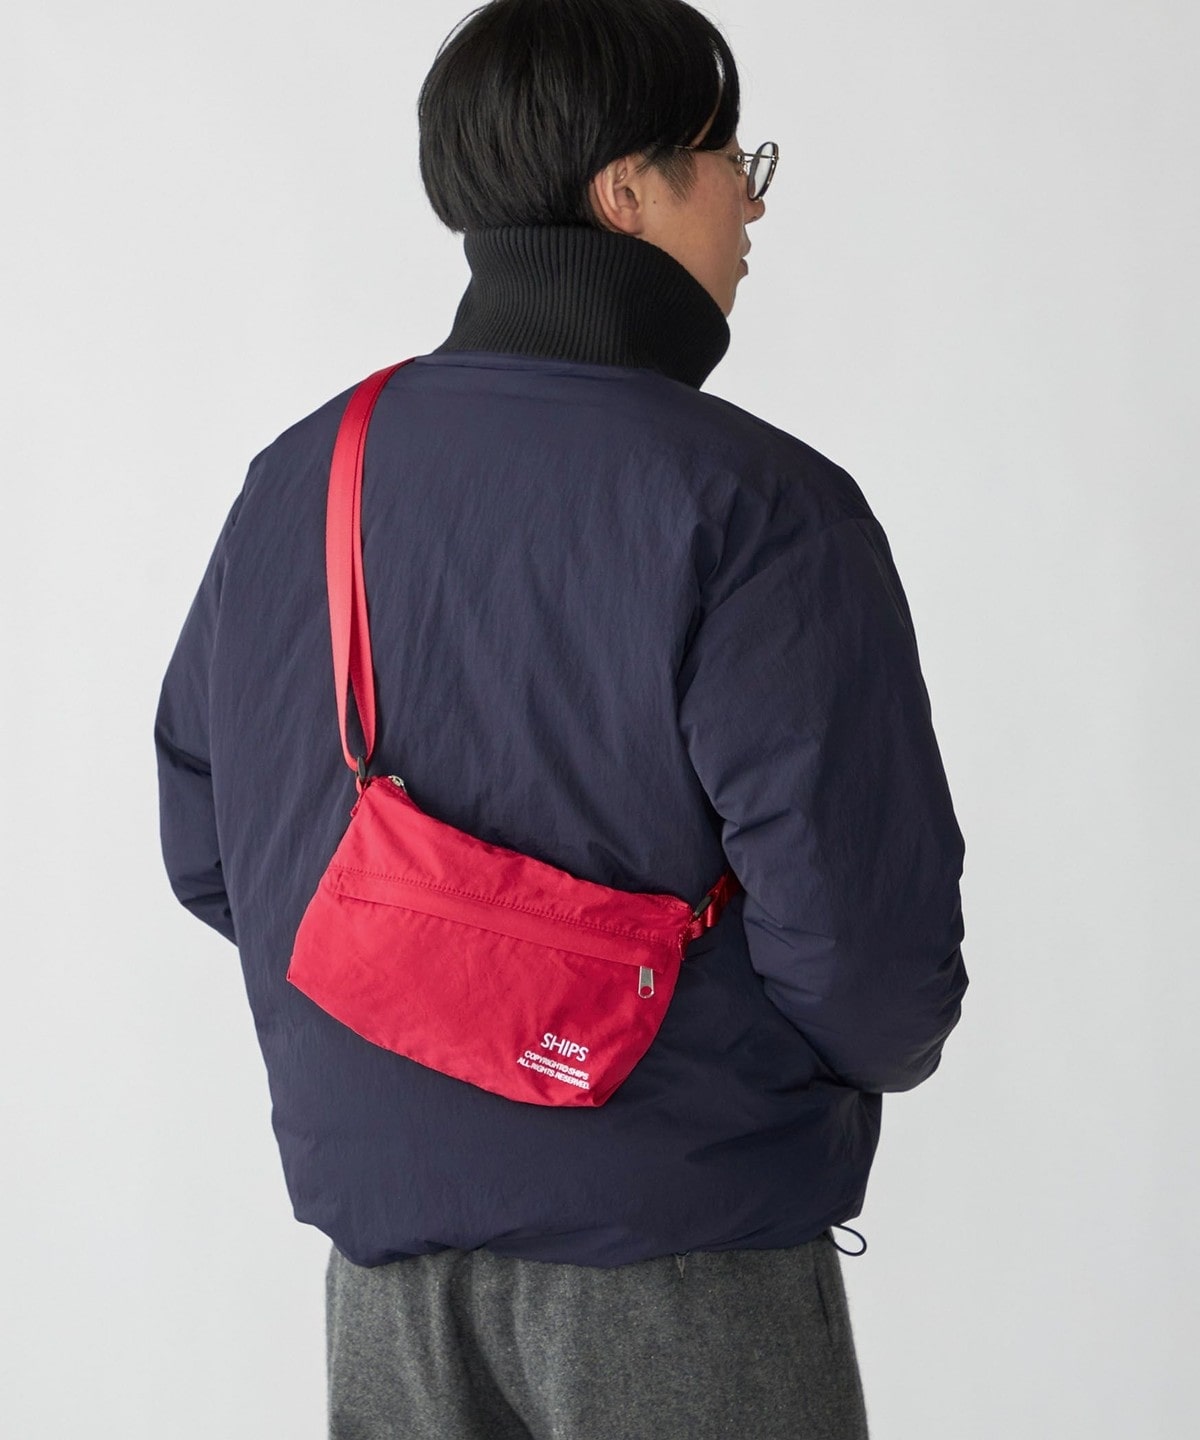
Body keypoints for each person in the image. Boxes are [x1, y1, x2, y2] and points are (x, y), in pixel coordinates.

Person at [154, 1, 968, 1435]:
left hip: (386, 1281)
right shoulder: (758, 504)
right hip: (684, 1260)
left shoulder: (303, 475)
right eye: (728, 157)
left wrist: (432, 1016)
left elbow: (211, 847)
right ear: (625, 191)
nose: (751, 202)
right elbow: (871, 963)